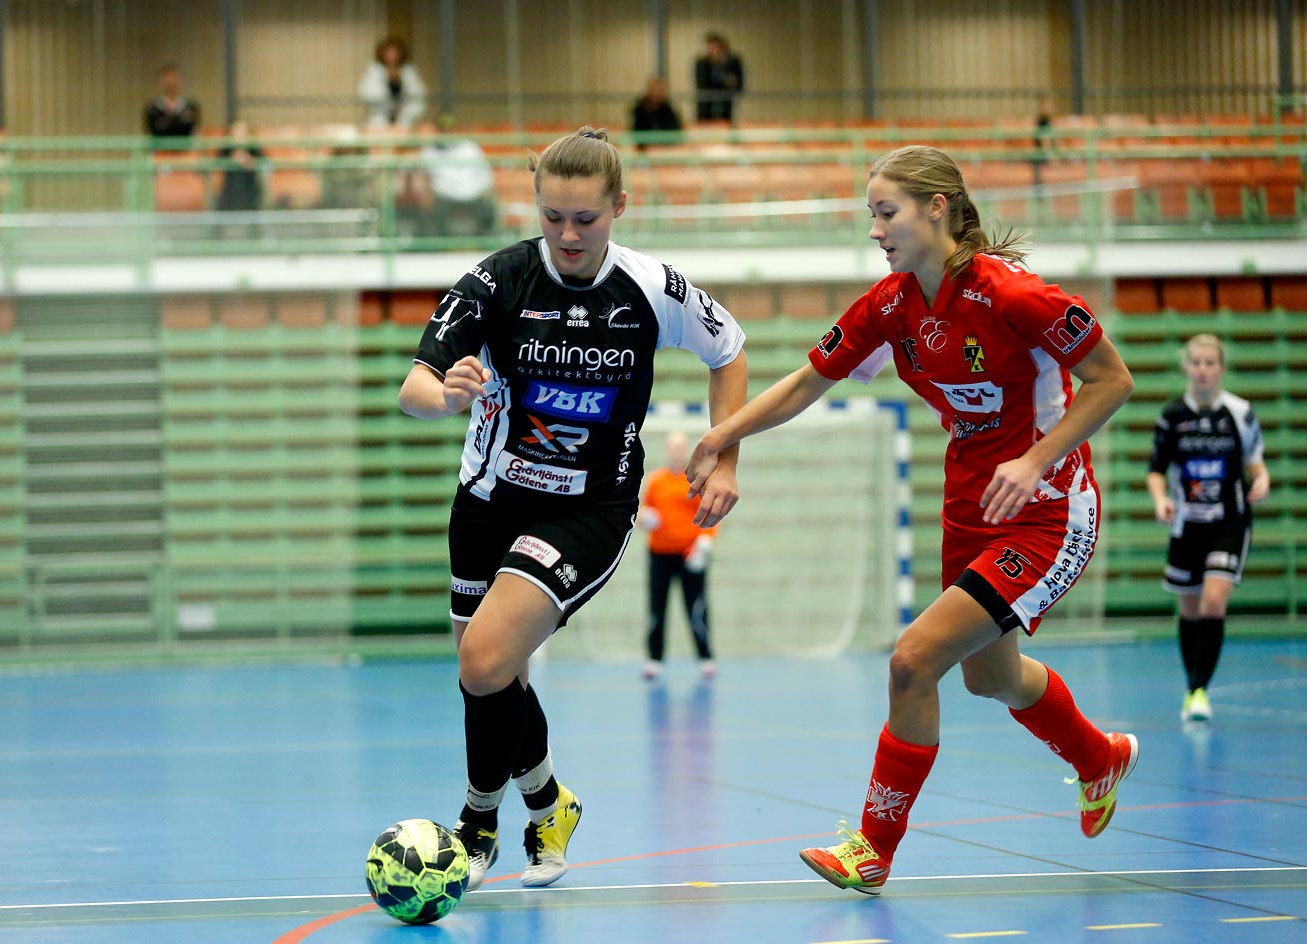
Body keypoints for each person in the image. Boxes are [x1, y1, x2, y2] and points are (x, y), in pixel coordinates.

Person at [687, 144, 1138, 895]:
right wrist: (720, 434)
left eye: (885, 211)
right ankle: (1098, 757)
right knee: (988, 679)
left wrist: (1035, 459)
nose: (874, 229)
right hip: (968, 509)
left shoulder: (1016, 295)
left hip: (1046, 511)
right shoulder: (891, 304)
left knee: (912, 659)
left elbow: (1111, 380)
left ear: (937, 209)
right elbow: (807, 383)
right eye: (871, 213)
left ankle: (872, 850)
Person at [398, 125, 749, 892]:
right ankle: (549, 804)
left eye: (584, 219)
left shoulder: (653, 288)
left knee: (485, 660)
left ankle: (476, 825)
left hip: (587, 510)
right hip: (488, 499)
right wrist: (445, 396)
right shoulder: (497, 280)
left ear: (619, 206)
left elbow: (730, 351)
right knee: (488, 670)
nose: (566, 235)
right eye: (552, 217)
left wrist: (724, 453)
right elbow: (414, 386)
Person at [1146, 334, 1269, 723]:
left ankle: (1200, 690)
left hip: (1229, 523)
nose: (1202, 370)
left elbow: (1254, 462)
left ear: (1221, 368)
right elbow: (1155, 470)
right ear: (1187, 367)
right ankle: (1191, 685)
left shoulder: (1240, 412)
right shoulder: (1172, 416)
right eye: (1195, 362)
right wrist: (1160, 499)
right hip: (1187, 525)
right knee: (1189, 607)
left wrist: (1262, 479)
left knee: (1213, 601)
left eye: (1209, 363)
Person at [639, 431, 717, 680]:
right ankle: (654, 658)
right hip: (659, 554)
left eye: (679, 448)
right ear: (667, 450)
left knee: (696, 607)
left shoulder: (695, 479)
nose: (675, 452)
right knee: (657, 607)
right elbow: (641, 510)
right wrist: (645, 518)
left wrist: (705, 543)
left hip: (690, 554)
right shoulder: (656, 480)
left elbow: (709, 514)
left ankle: (705, 657)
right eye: (671, 448)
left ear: (685, 451)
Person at [402, 114, 495, 237]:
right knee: (431, 213)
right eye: (444, 129)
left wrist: (480, 189)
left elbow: (485, 173)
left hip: (472, 193)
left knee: (488, 210)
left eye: (450, 129)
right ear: (439, 131)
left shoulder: (469, 147)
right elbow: (415, 171)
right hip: (444, 195)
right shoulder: (429, 150)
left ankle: (484, 242)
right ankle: (437, 245)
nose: (447, 133)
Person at [358, 36, 426, 131]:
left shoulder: (409, 72)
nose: (392, 55)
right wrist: (389, 108)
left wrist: (406, 112)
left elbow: (418, 96)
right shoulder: (373, 71)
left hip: (405, 118)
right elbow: (369, 95)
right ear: (382, 53)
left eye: (395, 52)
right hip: (380, 118)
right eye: (389, 52)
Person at [693, 32, 743, 125]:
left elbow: (738, 84)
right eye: (709, 47)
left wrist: (723, 65)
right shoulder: (702, 63)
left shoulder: (732, 62)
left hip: (725, 104)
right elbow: (700, 84)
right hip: (706, 107)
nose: (711, 51)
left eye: (714, 47)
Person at [216, 120, 265, 211]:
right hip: (230, 187)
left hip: (250, 185)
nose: (239, 134)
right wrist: (231, 161)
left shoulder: (254, 147)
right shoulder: (226, 147)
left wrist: (250, 162)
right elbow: (217, 164)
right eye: (237, 131)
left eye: (242, 131)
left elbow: (265, 164)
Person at [145, 64, 200, 142]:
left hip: (185, 150)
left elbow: (193, 129)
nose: (171, 82)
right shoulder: (153, 108)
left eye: (174, 77)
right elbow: (152, 131)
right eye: (167, 78)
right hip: (161, 149)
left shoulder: (191, 106)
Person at [631, 76, 683, 148]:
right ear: (649, 91)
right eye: (653, 90)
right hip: (645, 148)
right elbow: (635, 131)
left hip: (666, 148)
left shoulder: (669, 110)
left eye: (659, 90)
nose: (656, 94)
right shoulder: (640, 110)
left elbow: (676, 131)